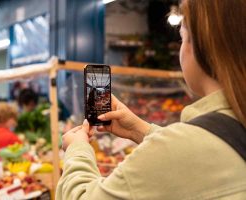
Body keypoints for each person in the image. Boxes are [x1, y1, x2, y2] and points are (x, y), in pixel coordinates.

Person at [56, 0, 246, 199]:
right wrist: (141, 130)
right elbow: (206, 151)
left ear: (199, 46)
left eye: (182, 37)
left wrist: (77, 149)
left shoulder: (173, 150)